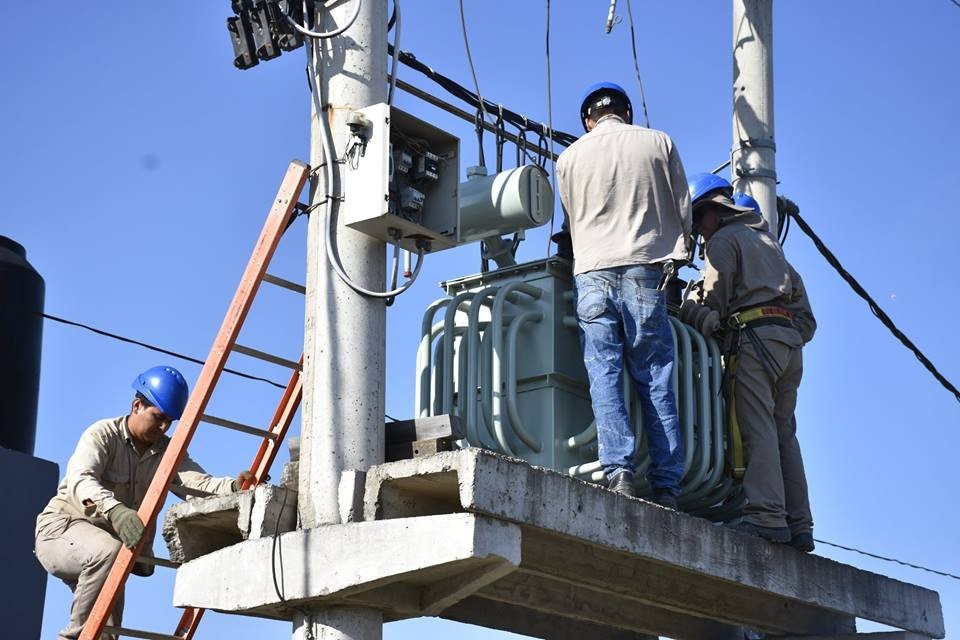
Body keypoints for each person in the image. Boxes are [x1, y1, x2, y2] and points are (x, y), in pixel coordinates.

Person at [34, 366, 254, 639]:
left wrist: (234, 487)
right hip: (61, 529)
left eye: (169, 421)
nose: (163, 427)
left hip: (110, 547)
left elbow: (198, 484)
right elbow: (82, 480)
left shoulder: (167, 450)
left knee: (107, 630)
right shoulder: (102, 435)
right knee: (108, 554)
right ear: (137, 405)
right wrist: (115, 511)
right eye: (158, 417)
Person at [556, 82, 691, 507]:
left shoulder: (569, 157)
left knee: (604, 373)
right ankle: (668, 485)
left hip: (592, 271)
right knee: (654, 377)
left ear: (587, 120)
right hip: (644, 269)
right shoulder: (658, 142)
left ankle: (619, 473)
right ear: (626, 113)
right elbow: (683, 207)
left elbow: (571, 220)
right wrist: (679, 252)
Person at [680, 174, 816, 552]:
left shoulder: (723, 241)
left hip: (755, 342)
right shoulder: (769, 244)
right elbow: (808, 320)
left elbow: (713, 306)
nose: (696, 230)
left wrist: (693, 312)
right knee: (783, 431)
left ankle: (767, 517)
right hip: (788, 346)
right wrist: (783, 333)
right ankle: (799, 523)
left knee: (757, 428)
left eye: (696, 219)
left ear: (712, 211)